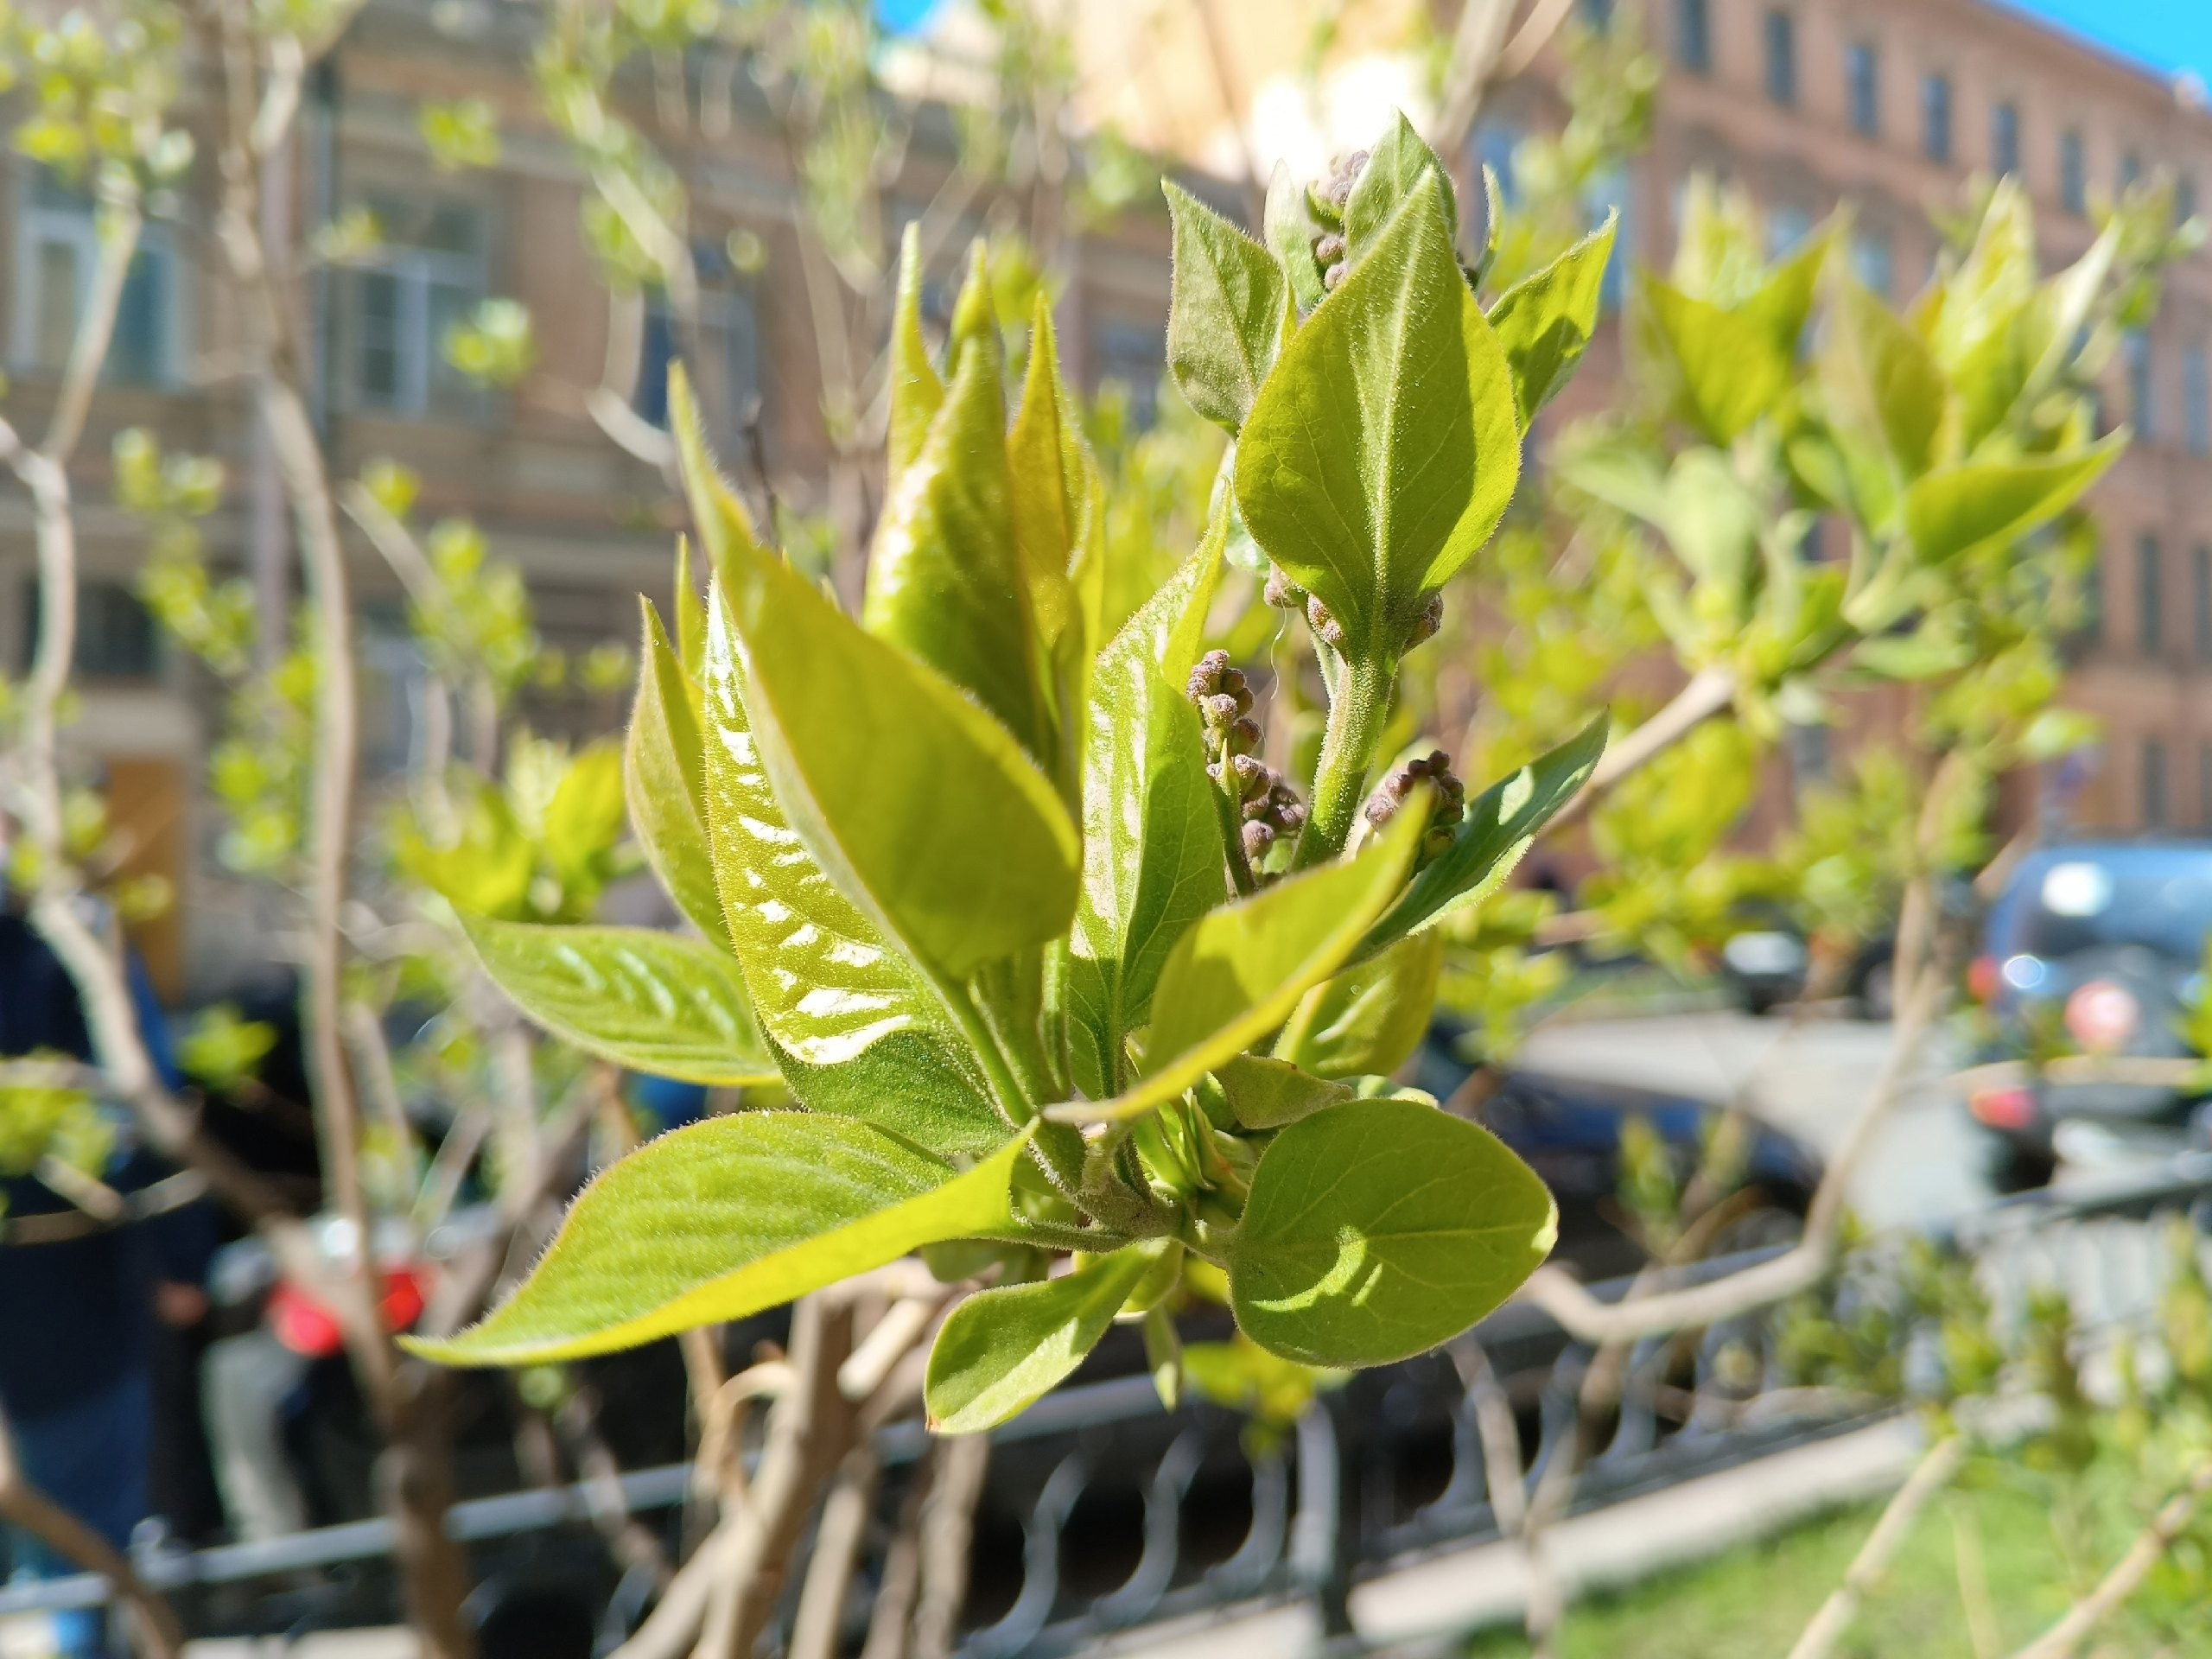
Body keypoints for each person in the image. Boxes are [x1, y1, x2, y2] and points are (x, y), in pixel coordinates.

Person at [0, 900, 203, 1659]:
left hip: (54, 1307)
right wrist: (182, 1256)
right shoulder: (63, 939)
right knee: (85, 1557)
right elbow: (142, 1106)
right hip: (62, 1312)